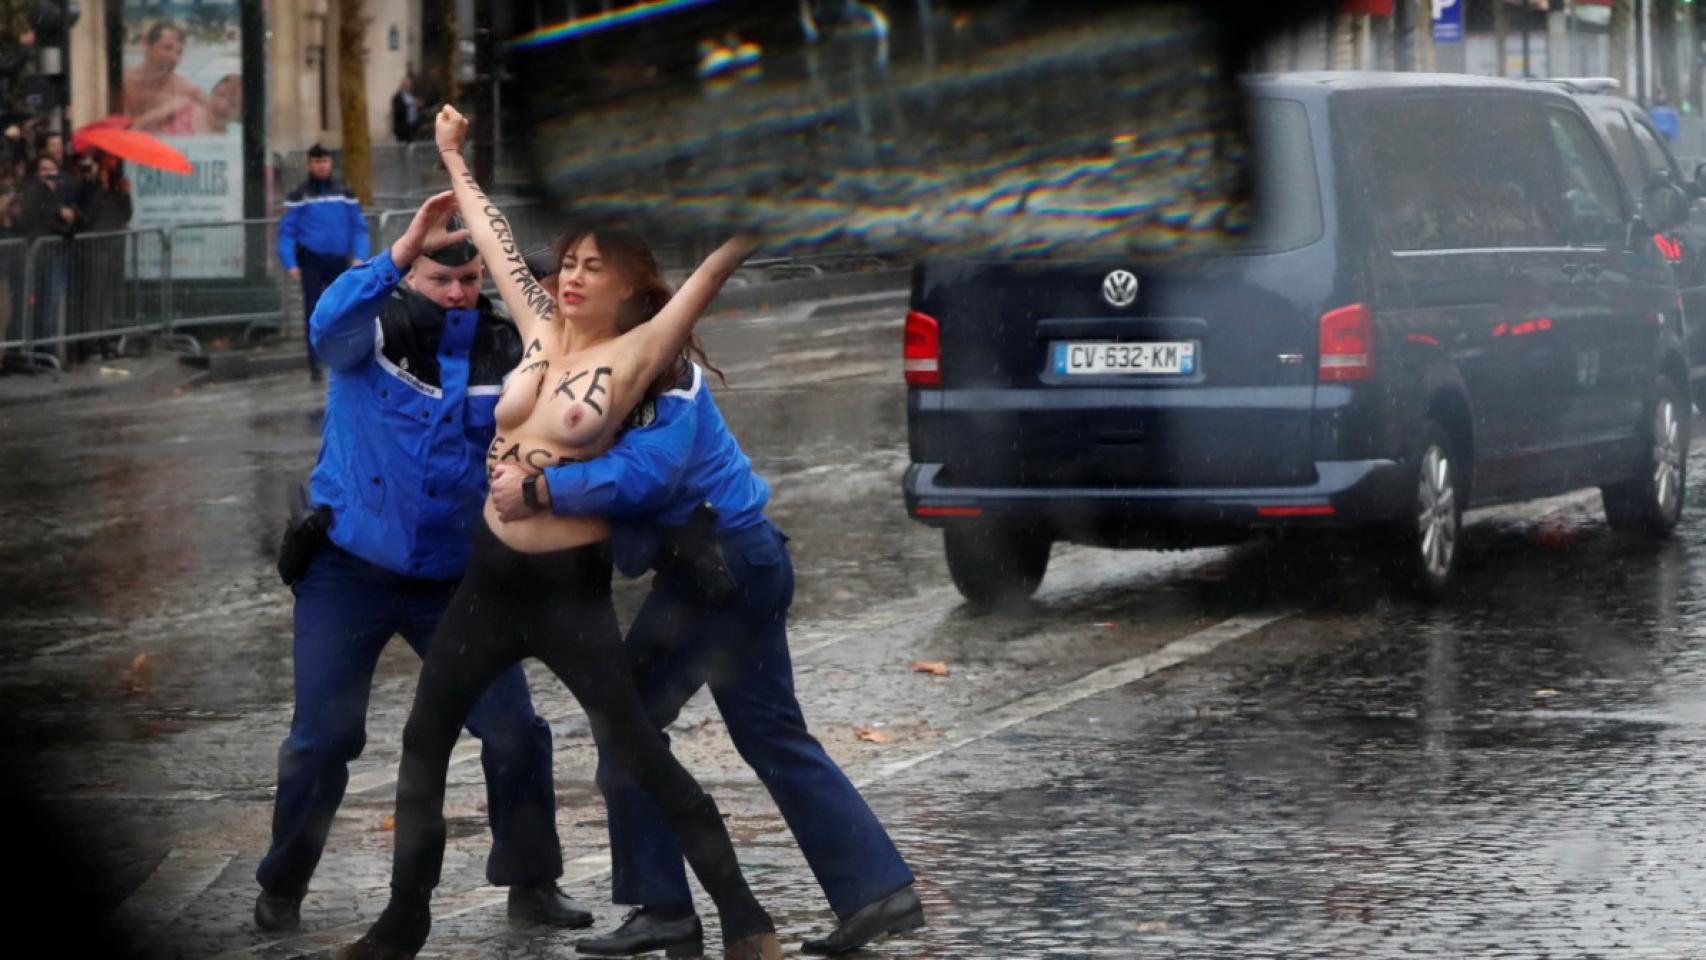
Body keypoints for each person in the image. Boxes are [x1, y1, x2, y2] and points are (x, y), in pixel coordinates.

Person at [338, 105, 781, 960]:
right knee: (424, 740)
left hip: (569, 595)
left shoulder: (639, 353)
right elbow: (494, 237)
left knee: (638, 752)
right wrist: (451, 156)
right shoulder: (540, 330)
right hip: (487, 584)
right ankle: (403, 920)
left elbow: (714, 271)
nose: (574, 278)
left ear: (627, 287)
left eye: (594, 269)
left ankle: (745, 918)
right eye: (570, 262)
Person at [489, 288, 923, 960]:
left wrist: (542, 491)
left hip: (717, 575)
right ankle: (876, 889)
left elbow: (647, 477)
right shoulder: (612, 377)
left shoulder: (669, 382)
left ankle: (663, 907)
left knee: (625, 723)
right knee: (774, 735)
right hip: (740, 562)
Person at [253, 192, 593, 936]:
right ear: (413, 276)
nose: (458, 294)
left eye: (471, 281)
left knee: (514, 732)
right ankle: (282, 881)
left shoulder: (511, 350)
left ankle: (533, 883)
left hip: (453, 581)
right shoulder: (369, 332)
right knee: (325, 738)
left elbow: (575, 387)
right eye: (443, 281)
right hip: (349, 568)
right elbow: (326, 324)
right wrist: (401, 249)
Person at [278, 144, 370, 381]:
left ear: (331, 163)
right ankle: (315, 365)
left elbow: (359, 227)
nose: (322, 166)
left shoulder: (345, 193)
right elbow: (286, 232)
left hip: (339, 261)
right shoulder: (300, 196)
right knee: (313, 312)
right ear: (310, 164)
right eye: (317, 162)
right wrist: (290, 263)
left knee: (344, 312)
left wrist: (360, 255)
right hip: (311, 261)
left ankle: (345, 358)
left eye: (325, 161)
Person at [122, 21, 206, 135]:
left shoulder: (189, 90)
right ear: (146, 44)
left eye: (179, 52)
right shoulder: (126, 83)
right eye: (167, 48)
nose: (173, 57)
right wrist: (166, 110)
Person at [391, 73, 423, 144]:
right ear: (402, 85)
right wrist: (408, 105)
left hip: (414, 126)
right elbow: (397, 110)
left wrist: (419, 105)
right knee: (403, 147)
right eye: (406, 84)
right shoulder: (397, 97)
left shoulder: (413, 95)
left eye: (409, 84)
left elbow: (419, 106)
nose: (408, 86)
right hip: (403, 127)